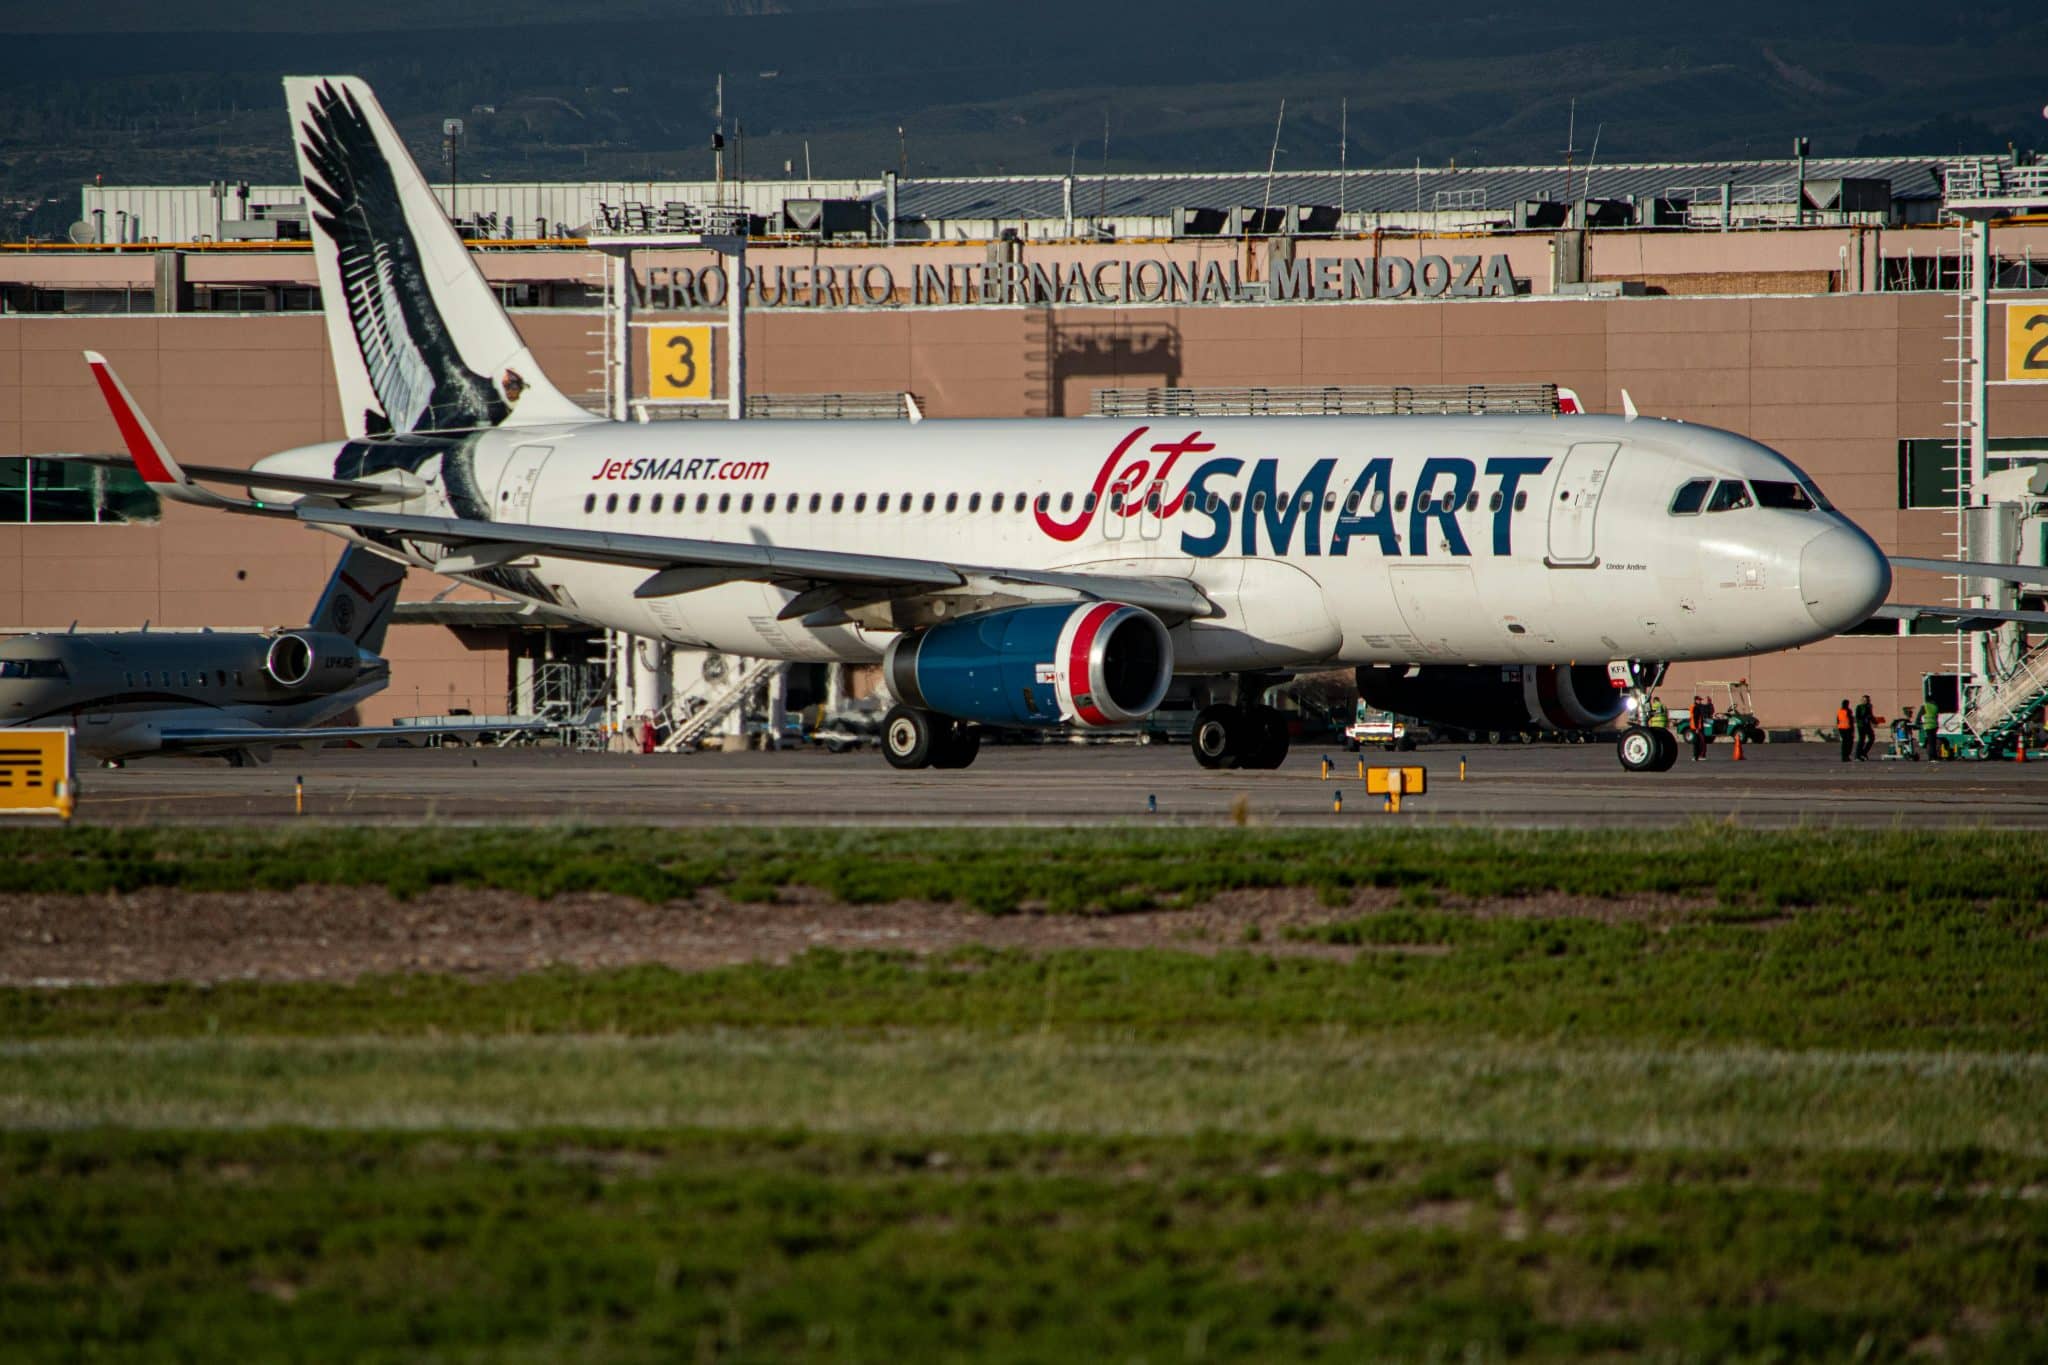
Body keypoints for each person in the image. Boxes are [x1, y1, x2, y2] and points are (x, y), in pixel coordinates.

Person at [1853, 695, 1877, 761]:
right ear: (1862, 700)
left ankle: (1864, 753)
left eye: (1867, 700)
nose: (1866, 701)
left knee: (1872, 738)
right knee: (1861, 740)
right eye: (1864, 700)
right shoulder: (1859, 707)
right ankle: (1857, 756)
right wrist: (1864, 718)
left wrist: (1874, 721)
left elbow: (1871, 715)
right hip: (1861, 726)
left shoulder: (1869, 706)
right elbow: (1857, 717)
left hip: (1867, 725)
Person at [1689, 694, 1712, 761]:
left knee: (1698, 742)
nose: (1700, 701)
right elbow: (1695, 718)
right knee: (1698, 742)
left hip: (1697, 727)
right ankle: (1697, 756)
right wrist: (1696, 728)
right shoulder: (1695, 707)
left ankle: (1697, 756)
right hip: (1697, 728)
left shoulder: (1697, 706)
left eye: (1701, 700)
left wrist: (1709, 703)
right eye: (1699, 700)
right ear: (1696, 700)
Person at [1919, 697, 1942, 762]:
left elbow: (1920, 715)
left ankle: (1932, 757)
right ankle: (1935, 756)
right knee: (1933, 742)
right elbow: (1936, 716)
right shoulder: (1935, 707)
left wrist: (1917, 723)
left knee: (1930, 742)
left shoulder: (1925, 706)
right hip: (1935, 725)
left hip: (1928, 726)